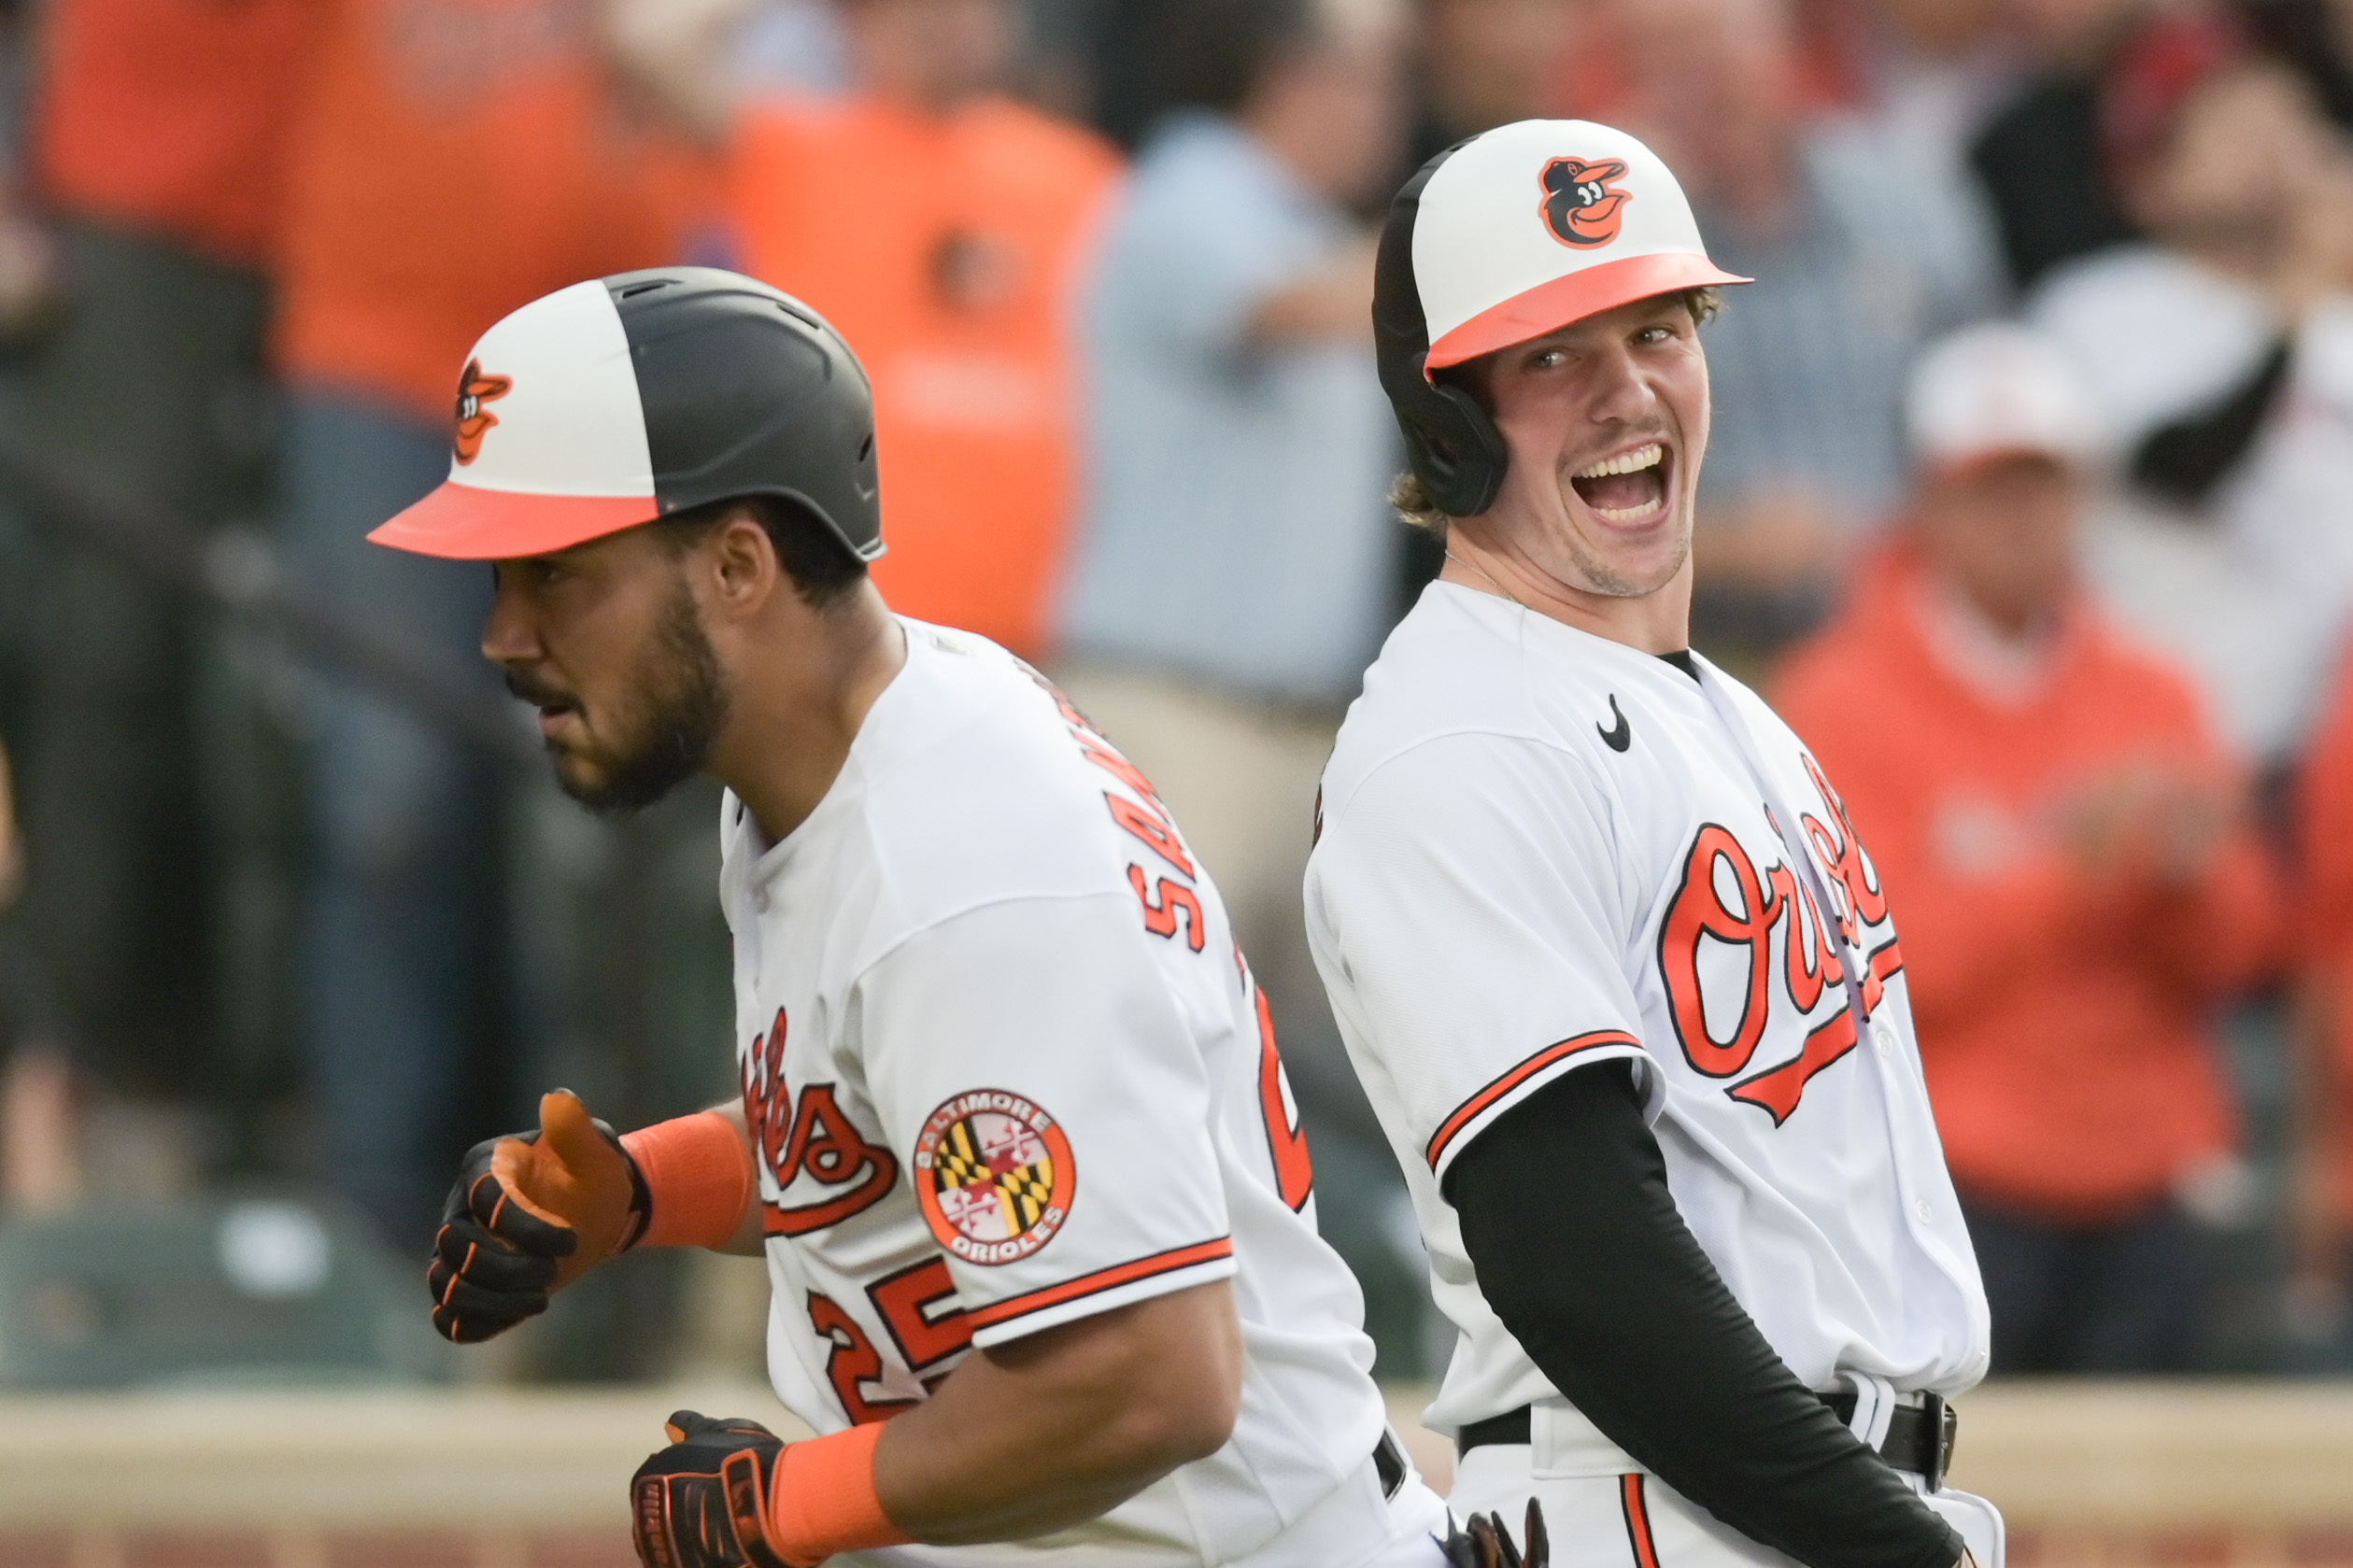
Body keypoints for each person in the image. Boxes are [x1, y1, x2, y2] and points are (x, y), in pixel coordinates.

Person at [383, 269, 1479, 1567]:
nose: (504, 631)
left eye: (556, 571)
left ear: (739, 564)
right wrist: (635, 1190)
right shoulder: (845, 755)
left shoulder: (959, 854)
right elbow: (899, 1128)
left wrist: (785, 1503)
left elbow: (1152, 1377)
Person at [1309, 118, 1999, 1567]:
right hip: (1651, 1504)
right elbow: (1576, 1258)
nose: (1626, 393)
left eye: (1658, 328)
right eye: (1550, 353)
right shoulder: (1459, 732)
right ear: (1444, 414)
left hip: (1780, 1499)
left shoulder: (1721, 710)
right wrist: (1891, 1544)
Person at [270, 0, 708, 1242]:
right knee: (390, 803)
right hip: (381, 368)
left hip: (601, 393)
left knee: (585, 821)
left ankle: (578, 1222)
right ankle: (368, 1212)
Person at [1777, 324, 2279, 1372]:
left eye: (2042, 484)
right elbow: (1859, 981)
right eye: (1987, 485)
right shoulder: (1833, 702)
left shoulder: (2150, 686)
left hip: (2145, 1177)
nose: (2020, 516)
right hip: (1947, 1189)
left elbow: (2237, 948)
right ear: (1925, 500)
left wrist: (2184, 880)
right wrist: (2073, 862)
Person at [1051, 0, 1426, 1363]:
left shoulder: (1319, 234)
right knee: (1131, 1053)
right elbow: (1285, 308)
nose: (1388, 107)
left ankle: (1327, 1342)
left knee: (1384, 1054)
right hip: (1168, 713)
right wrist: (1486, 244)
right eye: (1369, 75)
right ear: (1293, 74)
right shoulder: (1190, 187)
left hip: (1303, 735)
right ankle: (1075, 1351)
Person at [9, 0, 310, 1151]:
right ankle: (49, 1084)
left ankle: (225, 1103)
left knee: (264, 714)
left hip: (329, 248)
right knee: (105, 670)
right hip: (132, 230)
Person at [728, 0, 1122, 662]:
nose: (940, 23)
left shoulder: (1084, 178)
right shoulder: (789, 149)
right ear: (853, 23)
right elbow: (655, 44)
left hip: (1036, 626)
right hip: (843, 612)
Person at [1610, 0, 2004, 657]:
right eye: (1671, 56)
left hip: (1922, 622)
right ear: (1630, 81)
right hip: (1696, 641)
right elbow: (1549, 489)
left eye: (1719, 48)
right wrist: (1712, 540)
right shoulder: (1611, 255)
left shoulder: (1909, 199)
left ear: (1787, 50)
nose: (1704, 80)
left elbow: (1995, 402)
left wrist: (1919, 533)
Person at [2027, 21, 2353, 771]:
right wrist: (2295, 296)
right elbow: (2181, 467)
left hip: (2332, 761)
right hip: (2194, 749)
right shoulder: (2099, 308)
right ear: (2145, 179)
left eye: (2283, 117)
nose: (2269, 149)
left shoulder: (2335, 318)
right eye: (2231, 127)